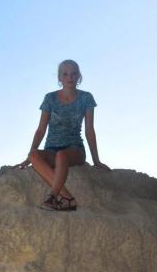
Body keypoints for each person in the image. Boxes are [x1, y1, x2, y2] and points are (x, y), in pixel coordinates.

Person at [14, 59, 110, 211]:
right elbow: (40, 129)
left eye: (73, 73)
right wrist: (27, 158)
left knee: (62, 155)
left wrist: (96, 159)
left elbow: (89, 130)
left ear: (79, 76)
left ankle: (52, 196)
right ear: (59, 78)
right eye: (65, 74)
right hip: (51, 149)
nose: (70, 77)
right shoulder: (50, 98)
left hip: (74, 149)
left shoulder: (86, 98)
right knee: (33, 155)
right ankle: (67, 197)